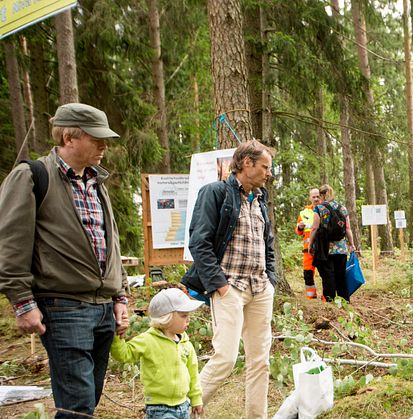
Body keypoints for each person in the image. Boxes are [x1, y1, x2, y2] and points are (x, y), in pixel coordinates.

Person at [0, 103, 129, 418]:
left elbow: (109, 241)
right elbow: (9, 243)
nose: (104, 145)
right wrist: (22, 302)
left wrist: (120, 294)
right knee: (78, 403)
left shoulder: (96, 182)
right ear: (69, 138)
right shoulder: (33, 175)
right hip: (63, 306)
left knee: (89, 397)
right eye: (95, 138)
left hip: (102, 308)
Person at [181, 140, 276, 418]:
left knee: (260, 361)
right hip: (229, 288)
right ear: (247, 163)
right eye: (265, 167)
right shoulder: (215, 192)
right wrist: (219, 285)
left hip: (260, 288)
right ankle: (182, 412)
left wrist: (270, 279)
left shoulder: (260, 199)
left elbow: (267, 244)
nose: (268, 173)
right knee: (225, 358)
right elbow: (199, 243)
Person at [110, 288, 204, 419]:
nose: (188, 319)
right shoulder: (148, 340)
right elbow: (124, 354)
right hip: (159, 408)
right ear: (167, 317)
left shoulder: (185, 343)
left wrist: (196, 398)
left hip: (183, 406)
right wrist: (118, 336)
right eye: (183, 315)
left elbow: (193, 373)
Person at [308, 184, 356, 302]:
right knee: (341, 276)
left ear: (322, 195)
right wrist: (352, 244)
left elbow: (314, 228)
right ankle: (344, 301)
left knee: (328, 277)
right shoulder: (342, 208)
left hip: (326, 249)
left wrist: (310, 244)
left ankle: (330, 302)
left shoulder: (319, 209)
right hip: (341, 248)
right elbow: (348, 228)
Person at [296, 188, 322, 299]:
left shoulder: (326, 209)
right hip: (308, 250)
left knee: (325, 273)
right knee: (307, 274)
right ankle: (311, 296)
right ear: (310, 198)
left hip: (323, 248)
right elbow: (298, 231)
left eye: (318, 196)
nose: (316, 199)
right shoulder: (304, 213)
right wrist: (299, 227)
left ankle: (326, 296)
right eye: (313, 197)